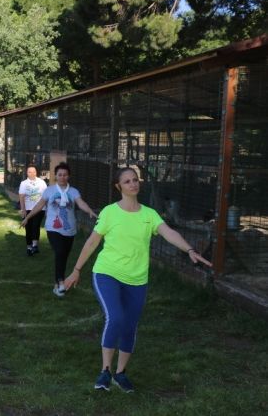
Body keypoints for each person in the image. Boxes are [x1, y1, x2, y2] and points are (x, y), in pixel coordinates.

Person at [64, 167, 212, 393]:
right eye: (127, 181)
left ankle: (120, 373)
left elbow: (169, 233)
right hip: (107, 272)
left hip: (137, 279)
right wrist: (76, 270)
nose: (133, 184)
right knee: (116, 317)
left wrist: (189, 249)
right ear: (119, 187)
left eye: (135, 180)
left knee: (130, 325)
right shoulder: (110, 212)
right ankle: (105, 370)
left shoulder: (149, 215)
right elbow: (92, 242)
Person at [21, 162, 97, 296]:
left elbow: (81, 203)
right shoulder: (49, 190)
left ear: (69, 176)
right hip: (53, 228)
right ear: (55, 176)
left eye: (65, 175)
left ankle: (57, 283)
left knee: (64, 256)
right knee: (60, 252)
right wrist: (28, 217)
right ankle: (60, 282)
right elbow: (39, 205)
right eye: (59, 174)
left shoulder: (73, 191)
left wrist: (89, 210)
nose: (62, 177)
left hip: (70, 230)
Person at [18, 164, 47, 256]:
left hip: (40, 208)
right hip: (28, 208)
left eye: (33, 171)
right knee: (28, 228)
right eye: (30, 172)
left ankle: (35, 245)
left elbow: (46, 195)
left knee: (36, 225)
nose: (32, 173)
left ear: (36, 172)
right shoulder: (24, 183)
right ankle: (29, 247)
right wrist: (23, 210)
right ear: (27, 173)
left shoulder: (41, 182)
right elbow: (21, 197)